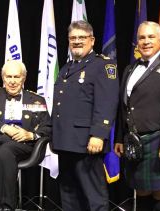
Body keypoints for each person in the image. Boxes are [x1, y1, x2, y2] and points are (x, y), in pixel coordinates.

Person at [114, 21, 160, 211]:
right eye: (142, 37)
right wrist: (121, 138)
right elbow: (123, 107)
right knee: (142, 190)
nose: (146, 41)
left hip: (158, 139)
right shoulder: (129, 69)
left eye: (151, 37)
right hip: (134, 140)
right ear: (137, 43)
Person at [51, 20, 119, 211]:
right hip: (65, 142)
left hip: (86, 142)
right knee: (69, 195)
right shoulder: (66, 69)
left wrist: (98, 134)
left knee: (94, 196)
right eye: (73, 38)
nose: (77, 41)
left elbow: (107, 102)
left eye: (82, 37)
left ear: (92, 40)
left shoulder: (103, 66)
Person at [0, 60, 51, 211]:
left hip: (22, 143)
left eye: (17, 77)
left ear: (24, 78)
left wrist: (31, 135)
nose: (13, 81)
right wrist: (3, 127)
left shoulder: (36, 100)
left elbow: (47, 126)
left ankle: (7, 206)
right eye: (9, 77)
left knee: (5, 153)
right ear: (3, 78)